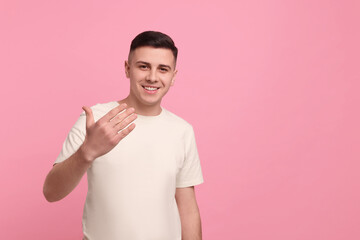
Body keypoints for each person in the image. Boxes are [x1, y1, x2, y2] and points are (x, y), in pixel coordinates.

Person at [43, 31, 204, 240]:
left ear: (173, 76)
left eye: (163, 69)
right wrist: (86, 153)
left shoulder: (182, 131)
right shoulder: (95, 120)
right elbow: (51, 192)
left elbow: (188, 209)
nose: (152, 77)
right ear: (128, 69)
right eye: (143, 66)